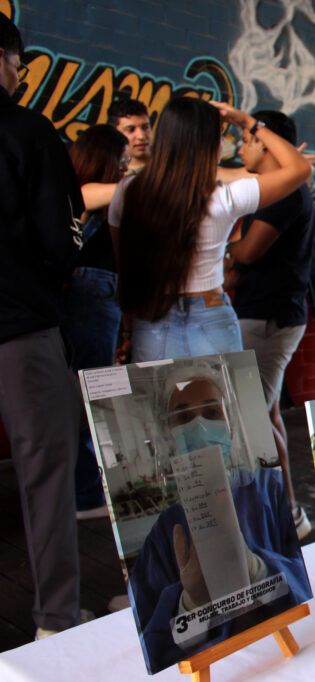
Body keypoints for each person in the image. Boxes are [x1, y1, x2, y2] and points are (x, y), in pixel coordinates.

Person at [128, 365, 312, 674]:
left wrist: (259, 569)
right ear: (167, 434)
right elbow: (153, 640)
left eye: (212, 412)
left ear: (231, 424)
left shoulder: (268, 489)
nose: (200, 426)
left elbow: (303, 574)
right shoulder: (164, 533)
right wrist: (192, 602)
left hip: (280, 651)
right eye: (184, 418)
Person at [0, 14, 88, 640]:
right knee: (45, 472)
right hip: (19, 327)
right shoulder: (27, 130)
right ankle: (55, 622)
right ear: (6, 59)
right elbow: (63, 239)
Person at [110, 97, 310, 363]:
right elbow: (299, 169)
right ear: (209, 144)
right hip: (210, 314)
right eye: (221, 137)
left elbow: (123, 265)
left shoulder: (130, 192)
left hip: (152, 314)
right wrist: (247, 122)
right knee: (231, 404)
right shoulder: (224, 197)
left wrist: (127, 328)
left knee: (159, 404)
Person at [226, 109, 314, 540]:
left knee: (256, 419)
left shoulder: (284, 193)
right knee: (270, 411)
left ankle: (291, 515)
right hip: (275, 313)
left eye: (246, 137)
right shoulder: (279, 189)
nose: (241, 146)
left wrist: (224, 247)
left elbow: (248, 253)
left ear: (266, 143)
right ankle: (290, 513)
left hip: (266, 316)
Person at [61, 124, 129, 520]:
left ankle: (86, 489)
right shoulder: (87, 192)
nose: (125, 169)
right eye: (120, 163)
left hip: (99, 293)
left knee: (92, 391)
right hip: (93, 292)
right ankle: (86, 493)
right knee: (94, 393)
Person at [107, 97, 151, 174]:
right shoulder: (106, 172)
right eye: (131, 129)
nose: (141, 136)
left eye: (145, 127)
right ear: (115, 133)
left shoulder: (167, 167)